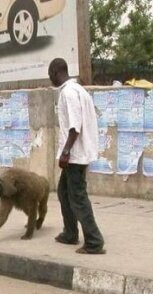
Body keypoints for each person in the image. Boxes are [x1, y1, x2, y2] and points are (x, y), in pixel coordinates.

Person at [48, 58, 105, 255]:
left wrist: (65, 152)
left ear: (56, 72)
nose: (50, 79)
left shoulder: (68, 93)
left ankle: (94, 241)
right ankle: (70, 233)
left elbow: (75, 127)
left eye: (50, 75)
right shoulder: (79, 90)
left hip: (75, 154)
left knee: (78, 197)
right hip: (77, 153)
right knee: (64, 192)